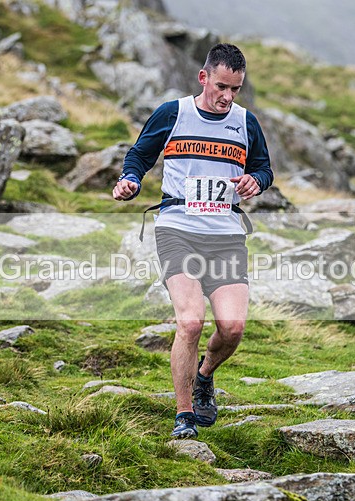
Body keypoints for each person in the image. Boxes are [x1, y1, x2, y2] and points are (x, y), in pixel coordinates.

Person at [113, 43, 274, 439]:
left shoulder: (245, 122)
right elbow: (139, 155)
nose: (227, 97)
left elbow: (263, 168)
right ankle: (184, 415)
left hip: (225, 235)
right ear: (203, 78)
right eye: (221, 86)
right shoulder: (174, 113)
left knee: (232, 327)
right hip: (178, 228)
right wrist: (130, 180)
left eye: (235, 89)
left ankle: (205, 375)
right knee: (190, 321)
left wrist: (256, 181)